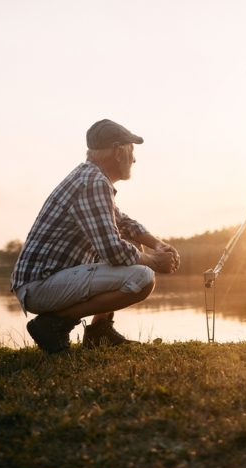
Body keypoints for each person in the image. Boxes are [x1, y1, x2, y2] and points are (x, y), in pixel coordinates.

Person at [10, 119, 180, 353]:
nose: (134, 159)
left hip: (46, 281)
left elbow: (123, 223)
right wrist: (154, 261)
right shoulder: (94, 182)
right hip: (40, 285)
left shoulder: (90, 176)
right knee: (144, 278)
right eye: (131, 151)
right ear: (119, 152)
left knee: (133, 245)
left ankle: (99, 331)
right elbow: (113, 250)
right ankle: (53, 325)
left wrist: (158, 245)